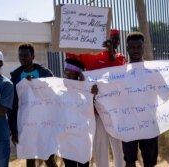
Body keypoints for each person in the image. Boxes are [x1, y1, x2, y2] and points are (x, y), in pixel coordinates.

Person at [67, 29, 126, 167]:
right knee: (100, 149)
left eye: (117, 39)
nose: (116, 41)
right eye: (113, 38)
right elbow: (72, 53)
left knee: (119, 149)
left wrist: (110, 51)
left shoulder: (120, 57)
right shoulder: (91, 56)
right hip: (96, 112)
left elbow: (120, 70)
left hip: (115, 112)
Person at [8, 43, 57, 167]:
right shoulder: (15, 77)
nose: (23, 58)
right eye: (20, 55)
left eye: (26, 55)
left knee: (49, 158)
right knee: (29, 160)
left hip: (44, 125)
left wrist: (36, 84)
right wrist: (14, 130)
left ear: (33, 56)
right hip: (25, 125)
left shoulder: (45, 73)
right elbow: (12, 105)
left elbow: (54, 96)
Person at [122, 32, 158, 167]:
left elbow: (166, 88)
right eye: (132, 47)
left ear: (144, 48)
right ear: (127, 48)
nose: (136, 50)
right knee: (129, 161)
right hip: (128, 124)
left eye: (139, 47)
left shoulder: (154, 70)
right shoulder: (119, 73)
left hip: (149, 123)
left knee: (149, 162)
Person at [62, 58, 96, 167]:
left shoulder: (87, 88)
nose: (66, 72)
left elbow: (90, 106)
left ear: (78, 72)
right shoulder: (59, 87)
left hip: (82, 135)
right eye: (65, 69)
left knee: (83, 163)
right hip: (66, 136)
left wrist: (89, 92)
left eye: (70, 70)